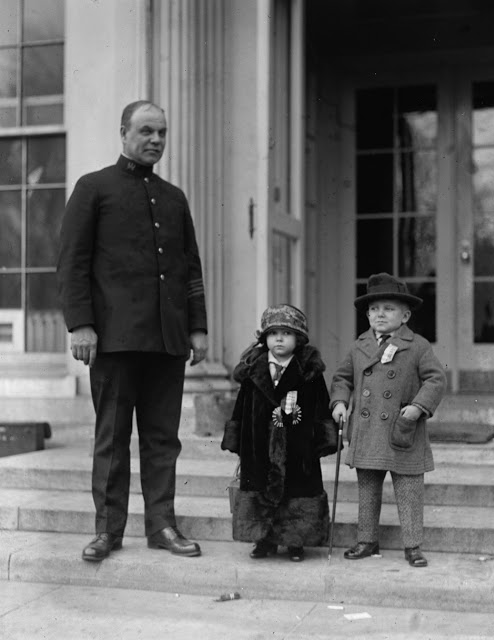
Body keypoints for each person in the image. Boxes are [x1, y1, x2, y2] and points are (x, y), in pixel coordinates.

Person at [57, 100, 208, 562]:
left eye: (162, 132)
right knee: (112, 438)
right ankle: (108, 531)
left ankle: (162, 526)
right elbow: (71, 263)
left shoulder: (174, 197)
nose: (156, 140)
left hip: (167, 340)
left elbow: (190, 268)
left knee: (163, 440)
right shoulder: (93, 188)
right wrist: (81, 324)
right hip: (114, 340)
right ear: (123, 133)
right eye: (146, 131)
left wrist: (197, 328)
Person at [330, 273, 446, 568]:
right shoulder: (359, 346)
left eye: (389, 309)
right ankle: (367, 540)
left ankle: (413, 546)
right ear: (367, 315)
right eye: (374, 309)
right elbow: (342, 377)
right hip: (368, 430)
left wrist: (418, 407)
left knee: (409, 490)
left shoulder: (417, 345)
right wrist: (340, 402)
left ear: (405, 316)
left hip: (402, 428)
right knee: (368, 490)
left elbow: (435, 379)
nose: (379, 314)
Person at [221, 304, 338, 562]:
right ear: (265, 339)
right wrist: (236, 437)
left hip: (299, 446)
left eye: (287, 333)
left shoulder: (309, 371)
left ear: (299, 339)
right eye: (273, 334)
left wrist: (324, 437)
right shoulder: (253, 370)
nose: (279, 339)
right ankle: (263, 540)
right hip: (258, 444)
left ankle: (296, 541)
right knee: (260, 487)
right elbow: (241, 407)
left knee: (297, 490)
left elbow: (320, 405)